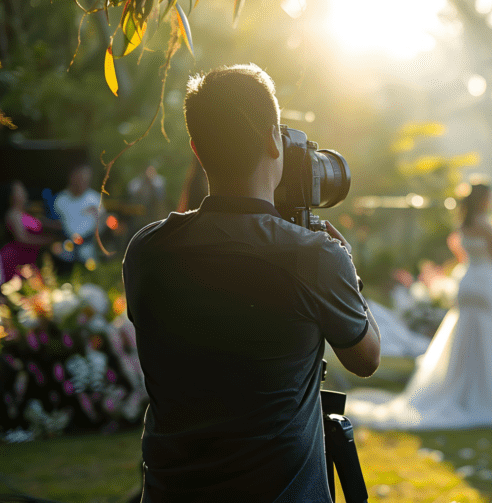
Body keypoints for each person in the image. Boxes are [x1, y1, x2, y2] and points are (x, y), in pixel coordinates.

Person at [121, 63, 381, 502]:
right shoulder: (312, 257)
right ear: (271, 140)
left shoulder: (148, 250)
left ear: (197, 149)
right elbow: (366, 357)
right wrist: (345, 265)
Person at [344, 181, 492, 430]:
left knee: (466, 335)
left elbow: (460, 252)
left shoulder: (463, 225)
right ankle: (490, 395)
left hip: (467, 281)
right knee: (489, 333)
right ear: (483, 199)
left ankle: (462, 388)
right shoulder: (485, 224)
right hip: (484, 282)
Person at [1, 181, 58, 282]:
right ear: (11, 195)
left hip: (29, 260)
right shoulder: (12, 214)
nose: (23, 193)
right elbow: (22, 238)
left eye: (22, 190)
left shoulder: (27, 212)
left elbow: (43, 223)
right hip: (14, 260)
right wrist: (48, 241)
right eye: (18, 191)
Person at [53, 164, 104, 273]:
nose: (82, 182)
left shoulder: (94, 199)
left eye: (86, 179)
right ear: (72, 177)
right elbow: (54, 223)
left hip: (89, 250)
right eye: (80, 178)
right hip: (64, 251)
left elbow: (103, 223)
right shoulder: (60, 199)